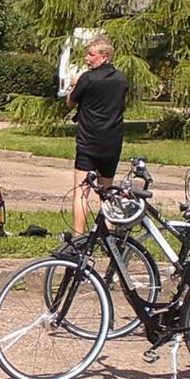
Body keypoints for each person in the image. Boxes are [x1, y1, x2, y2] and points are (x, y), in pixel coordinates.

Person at [66, 34, 129, 235]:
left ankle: (78, 236)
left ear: (104, 56)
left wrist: (74, 84)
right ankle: (108, 234)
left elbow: (70, 102)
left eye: (91, 54)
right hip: (112, 143)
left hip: (88, 142)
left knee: (81, 192)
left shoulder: (87, 78)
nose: (87, 58)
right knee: (107, 192)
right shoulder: (121, 79)